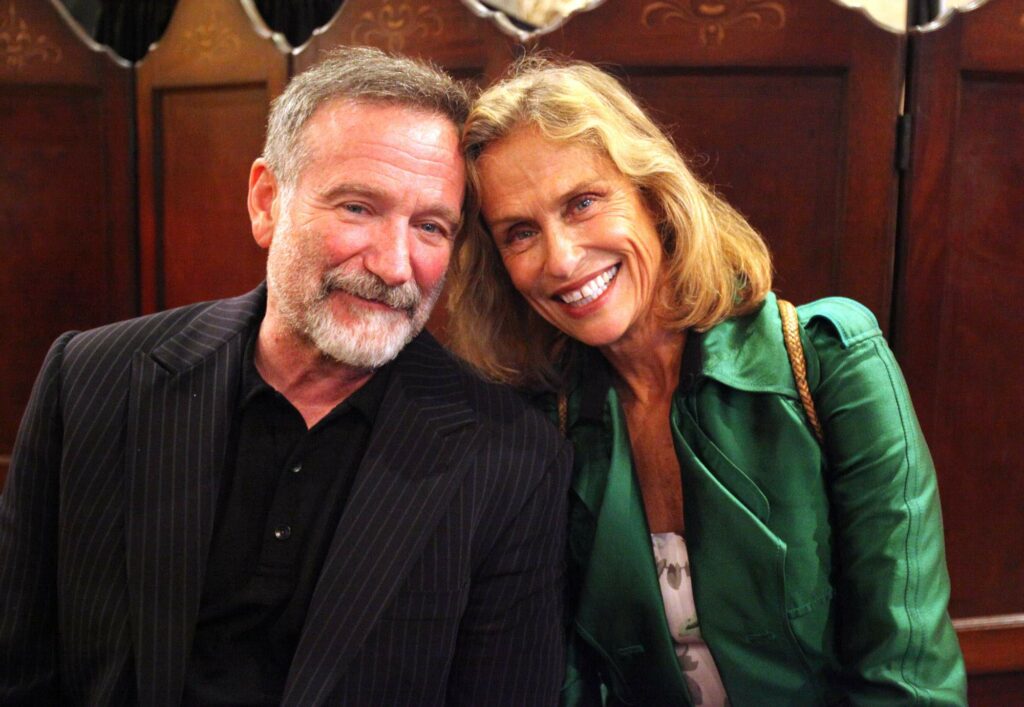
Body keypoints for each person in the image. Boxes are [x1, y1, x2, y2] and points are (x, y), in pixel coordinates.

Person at [0, 47, 571, 706]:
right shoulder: (91, 381)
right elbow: (18, 668)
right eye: (358, 208)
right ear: (267, 201)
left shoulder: (514, 459)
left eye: (431, 226)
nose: (394, 265)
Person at [447, 56, 966, 706]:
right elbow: (560, 680)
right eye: (520, 232)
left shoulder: (833, 361)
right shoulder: (541, 423)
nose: (561, 258)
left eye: (582, 202)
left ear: (654, 196)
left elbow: (908, 674)